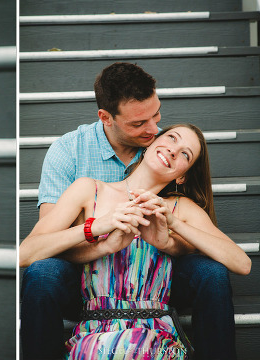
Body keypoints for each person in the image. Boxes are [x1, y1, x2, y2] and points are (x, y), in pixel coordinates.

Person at [20, 62, 238, 360]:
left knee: (211, 271)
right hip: (89, 282)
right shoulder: (71, 155)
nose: (154, 130)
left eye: (157, 116)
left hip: (156, 285)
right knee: (43, 273)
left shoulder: (163, 150)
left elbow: (233, 258)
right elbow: (45, 248)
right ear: (106, 118)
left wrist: (169, 239)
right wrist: (101, 234)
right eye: (139, 124)